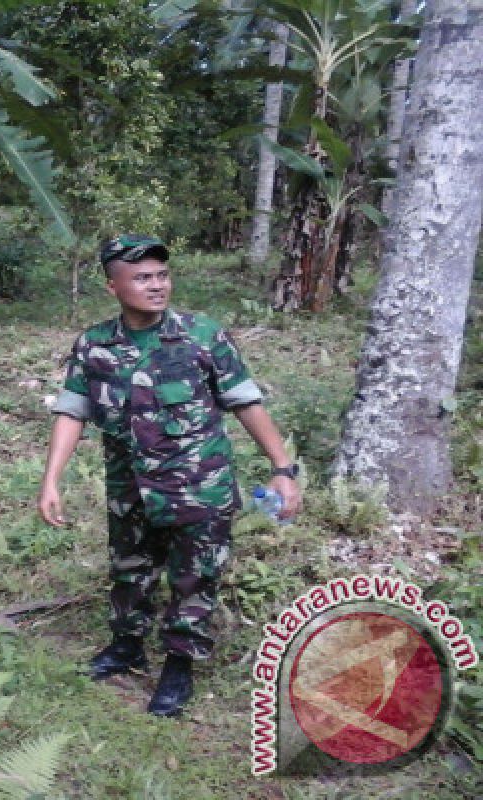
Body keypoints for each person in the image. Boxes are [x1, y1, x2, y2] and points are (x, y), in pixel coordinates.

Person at [37, 233, 302, 718]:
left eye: (161, 275)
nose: (156, 285)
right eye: (142, 277)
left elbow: (246, 402)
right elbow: (72, 412)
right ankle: (126, 646)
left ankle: (179, 666)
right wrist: (51, 479)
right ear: (112, 286)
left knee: (194, 579)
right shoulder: (95, 345)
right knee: (130, 570)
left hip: (199, 488)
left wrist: (282, 469)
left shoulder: (202, 336)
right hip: (130, 488)